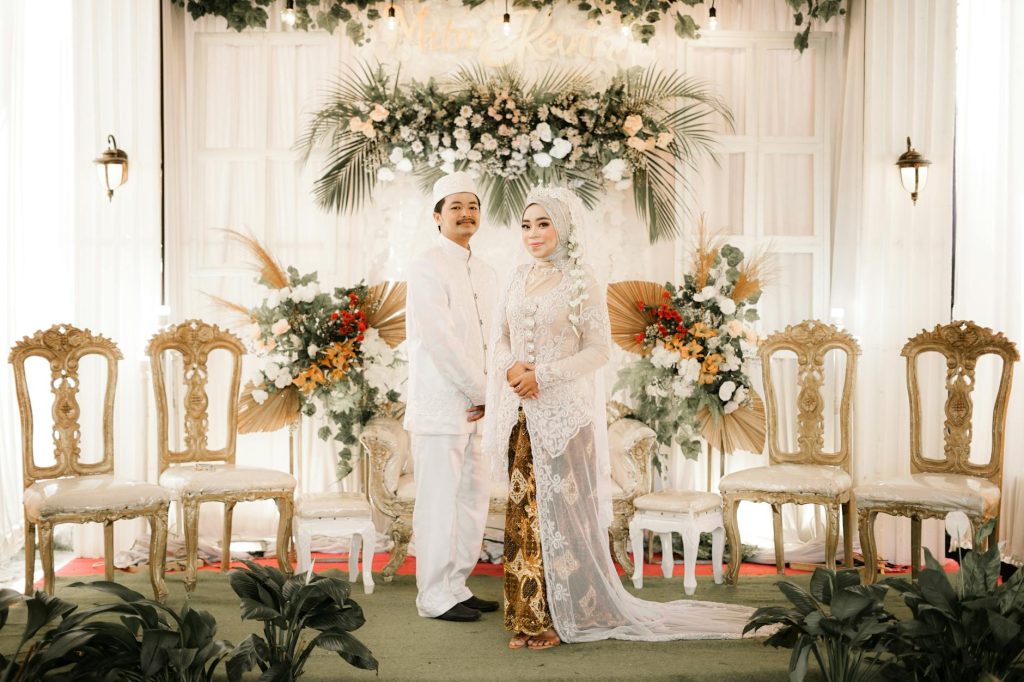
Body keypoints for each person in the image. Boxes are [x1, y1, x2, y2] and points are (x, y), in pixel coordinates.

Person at [482, 186, 755, 649]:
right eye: (526, 225)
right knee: (526, 515)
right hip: (522, 415)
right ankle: (527, 616)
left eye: (543, 224)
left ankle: (565, 614)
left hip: (565, 418)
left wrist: (542, 374)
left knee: (564, 520)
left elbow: (598, 351)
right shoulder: (516, 276)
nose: (533, 234)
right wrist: (512, 368)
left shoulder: (580, 279)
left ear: (563, 228)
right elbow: (501, 336)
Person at [404, 172, 500, 622]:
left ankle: (456, 585)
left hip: (482, 410)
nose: (466, 214)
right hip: (443, 405)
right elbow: (439, 339)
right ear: (437, 216)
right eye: (456, 206)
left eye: (473, 206)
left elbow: (496, 339)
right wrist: (484, 391)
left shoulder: (486, 271)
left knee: (472, 500)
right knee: (439, 502)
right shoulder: (426, 265)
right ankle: (433, 596)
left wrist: (494, 394)